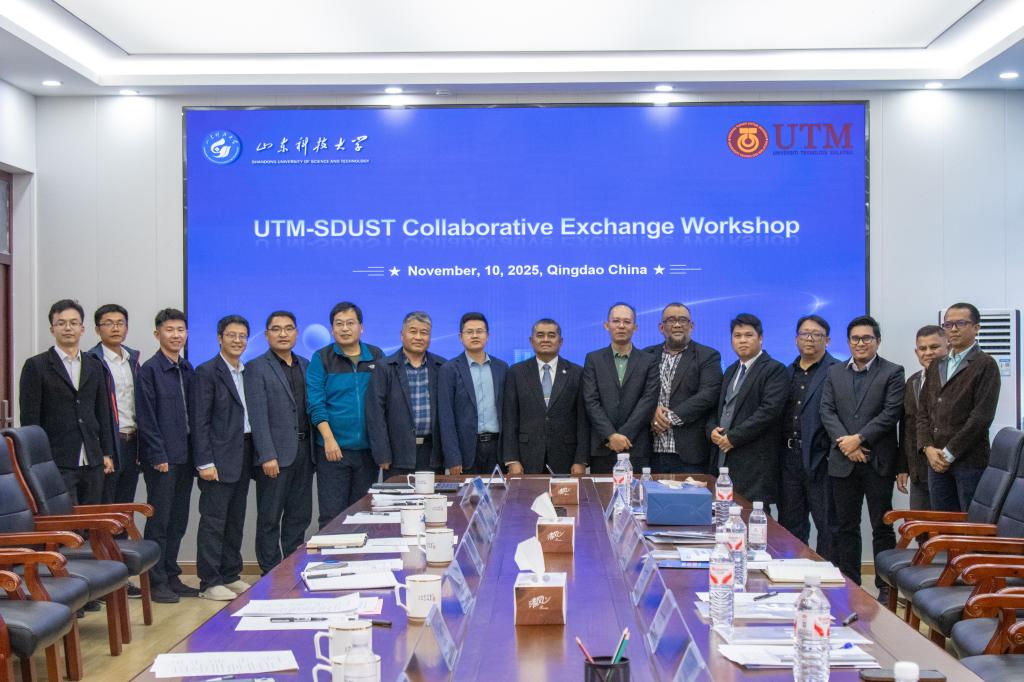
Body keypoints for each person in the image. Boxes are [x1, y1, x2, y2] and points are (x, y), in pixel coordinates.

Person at [820, 315, 904, 599]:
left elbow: (890, 413)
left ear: (877, 341)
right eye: (855, 338)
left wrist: (859, 438)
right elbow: (827, 411)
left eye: (867, 338)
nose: (860, 343)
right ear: (848, 342)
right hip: (843, 461)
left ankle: (885, 589)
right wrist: (847, 444)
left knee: (882, 527)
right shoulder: (834, 372)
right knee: (845, 527)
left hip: (877, 461)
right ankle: (851, 584)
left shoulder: (893, 372)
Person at [19, 299, 114, 507]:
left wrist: (106, 452)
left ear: (82, 328)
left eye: (73, 323)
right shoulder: (36, 366)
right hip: (55, 461)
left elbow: (103, 412)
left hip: (93, 459)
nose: (68, 328)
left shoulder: (95, 365)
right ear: (52, 329)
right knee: (64, 520)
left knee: (93, 520)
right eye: (61, 323)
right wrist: (36, 461)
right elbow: (30, 421)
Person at [244, 311, 314, 574]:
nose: (283, 334)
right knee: (270, 518)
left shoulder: (306, 365)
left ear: (296, 332)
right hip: (274, 456)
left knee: (299, 515)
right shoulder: (256, 367)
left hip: (304, 453)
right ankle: (270, 572)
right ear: (266, 335)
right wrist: (266, 454)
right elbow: (257, 415)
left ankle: (292, 568)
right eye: (276, 329)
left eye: (288, 328)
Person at [136, 308, 197, 604]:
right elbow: (146, 418)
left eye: (180, 330)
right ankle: (155, 579)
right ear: (157, 333)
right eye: (170, 330)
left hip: (186, 456)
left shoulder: (187, 368)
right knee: (159, 521)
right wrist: (157, 454)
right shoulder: (149, 370)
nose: (176, 335)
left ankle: (172, 574)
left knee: (178, 519)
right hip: (162, 459)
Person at [192, 315, 254, 601]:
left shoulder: (246, 372)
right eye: (231, 335)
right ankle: (209, 582)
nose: (237, 340)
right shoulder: (207, 372)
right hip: (216, 459)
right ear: (219, 338)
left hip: (243, 454)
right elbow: (199, 421)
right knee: (214, 521)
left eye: (242, 336)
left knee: (235, 520)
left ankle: (230, 574)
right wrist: (205, 462)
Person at [918, 303, 1001, 512]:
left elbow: (981, 418)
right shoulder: (937, 364)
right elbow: (923, 412)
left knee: (970, 524)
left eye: (961, 323)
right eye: (948, 324)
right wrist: (927, 448)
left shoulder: (985, 364)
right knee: (943, 524)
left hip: (969, 462)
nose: (953, 329)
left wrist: (949, 453)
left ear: (976, 328)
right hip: (935, 460)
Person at [307, 302, 383, 527]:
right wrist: (329, 439)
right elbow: (315, 403)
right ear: (332, 329)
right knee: (332, 515)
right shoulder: (322, 358)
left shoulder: (376, 356)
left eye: (350, 323)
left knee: (363, 514)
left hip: (368, 451)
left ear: (361, 327)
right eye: (339, 324)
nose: (345, 328)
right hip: (333, 450)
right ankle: (331, 552)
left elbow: (385, 400)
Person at [709, 313, 788, 506]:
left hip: (755, 464)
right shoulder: (730, 370)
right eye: (737, 336)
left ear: (760, 338)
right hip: (724, 459)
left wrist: (733, 437)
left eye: (748, 335)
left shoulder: (775, 369)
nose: (742, 340)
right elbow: (719, 408)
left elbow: (769, 411)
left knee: (752, 517)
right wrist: (711, 430)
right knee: (723, 515)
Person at [778, 315, 839, 560]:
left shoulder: (837, 371)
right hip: (788, 458)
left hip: (821, 459)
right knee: (791, 524)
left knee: (827, 526)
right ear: (796, 339)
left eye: (817, 334)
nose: (810, 339)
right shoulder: (785, 372)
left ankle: (827, 575)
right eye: (805, 333)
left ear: (828, 340)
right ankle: (793, 572)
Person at [502, 318, 588, 475]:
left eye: (551, 335)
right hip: (526, 456)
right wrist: (512, 459)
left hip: (566, 457)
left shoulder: (577, 373)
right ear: (531, 340)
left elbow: (583, 421)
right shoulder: (516, 372)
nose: (546, 339)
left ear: (560, 341)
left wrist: (580, 460)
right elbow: (509, 419)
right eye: (540, 335)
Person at [367, 311, 446, 479]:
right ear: (402, 335)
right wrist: (382, 453)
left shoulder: (442, 367)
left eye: (424, 333)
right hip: (397, 454)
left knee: (431, 496)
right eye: (413, 331)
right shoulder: (385, 367)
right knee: (399, 496)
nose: (418, 337)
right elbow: (375, 414)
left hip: (432, 454)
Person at [645, 303, 722, 474]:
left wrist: (668, 418)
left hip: (689, 455)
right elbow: (636, 393)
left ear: (691, 326)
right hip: (650, 452)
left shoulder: (708, 356)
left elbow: (709, 394)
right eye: (671, 320)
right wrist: (651, 412)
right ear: (661, 327)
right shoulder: (646, 355)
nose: (677, 324)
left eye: (683, 320)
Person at [582, 303, 659, 473]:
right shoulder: (593, 359)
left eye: (627, 321)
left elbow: (649, 400)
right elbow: (591, 401)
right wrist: (610, 435)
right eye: (616, 321)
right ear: (606, 325)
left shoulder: (649, 360)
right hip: (603, 446)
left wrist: (623, 436)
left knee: (637, 491)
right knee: (601, 490)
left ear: (635, 327)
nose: (621, 326)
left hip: (636, 445)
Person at [438, 312, 508, 475]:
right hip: (466, 451)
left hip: (497, 449)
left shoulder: (502, 368)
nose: (475, 335)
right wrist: (453, 458)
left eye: (480, 331)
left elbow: (509, 414)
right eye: (469, 332)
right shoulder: (449, 369)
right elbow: (446, 417)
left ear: (487, 336)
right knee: (466, 492)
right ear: (460, 337)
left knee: (498, 491)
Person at [87, 303, 141, 507]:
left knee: (125, 506)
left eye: (120, 323)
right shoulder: (92, 362)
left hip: (132, 442)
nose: (115, 328)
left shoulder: (132, 360)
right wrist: (103, 451)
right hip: (109, 443)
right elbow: (92, 410)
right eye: (108, 323)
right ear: (97, 329)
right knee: (107, 504)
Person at [899, 325, 947, 512]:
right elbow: (907, 426)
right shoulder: (913, 381)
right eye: (922, 348)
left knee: (947, 526)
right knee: (919, 526)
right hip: (919, 472)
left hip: (947, 468)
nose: (928, 353)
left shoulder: (958, 380)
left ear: (948, 347)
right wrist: (903, 466)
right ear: (916, 352)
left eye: (934, 347)